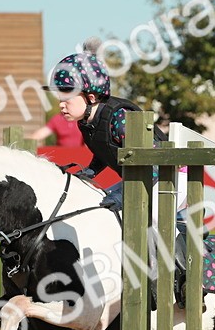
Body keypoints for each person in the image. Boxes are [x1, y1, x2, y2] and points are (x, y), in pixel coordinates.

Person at [45, 49, 163, 210]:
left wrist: (124, 194)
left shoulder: (119, 119)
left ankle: (182, 226)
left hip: (168, 177)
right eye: (60, 99)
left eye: (66, 99)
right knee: (99, 206)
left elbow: (153, 165)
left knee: (151, 217)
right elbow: (105, 150)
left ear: (91, 97)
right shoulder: (86, 122)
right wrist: (90, 172)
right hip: (140, 178)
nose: (61, 105)